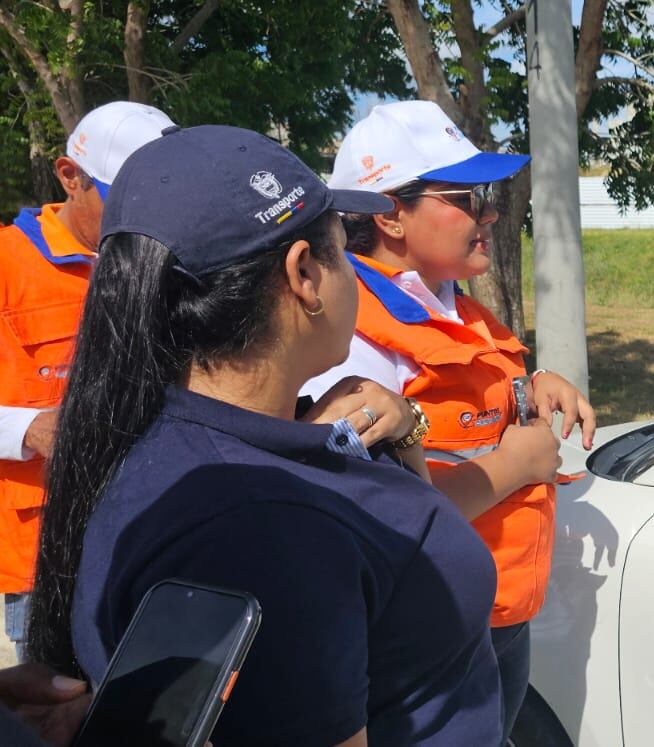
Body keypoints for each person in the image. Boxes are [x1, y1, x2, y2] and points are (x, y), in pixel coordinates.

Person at [28, 125, 503, 745]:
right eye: (342, 253)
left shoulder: (177, 441)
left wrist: (405, 434)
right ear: (305, 274)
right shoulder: (264, 528)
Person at [307, 100, 594, 742]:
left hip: (492, 612)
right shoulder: (354, 340)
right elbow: (377, 515)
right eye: (467, 196)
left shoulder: (449, 304)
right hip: (431, 626)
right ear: (390, 213)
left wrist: (529, 389)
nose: (490, 212)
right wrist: (515, 466)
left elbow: (460, 415)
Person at [0, 102, 175, 661]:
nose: (146, 211)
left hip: (161, 535)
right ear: (70, 177)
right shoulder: (8, 265)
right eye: (124, 192)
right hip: (48, 560)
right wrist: (30, 428)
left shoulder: (172, 263)